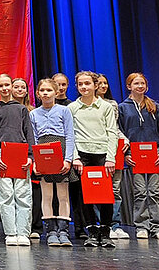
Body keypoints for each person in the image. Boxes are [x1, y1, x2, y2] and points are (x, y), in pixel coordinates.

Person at [118, 73, 159, 240]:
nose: (140, 86)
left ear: (146, 86)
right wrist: (126, 154)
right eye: (136, 83)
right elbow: (120, 132)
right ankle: (141, 226)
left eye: (142, 83)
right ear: (129, 86)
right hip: (135, 156)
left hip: (154, 156)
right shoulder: (123, 108)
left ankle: (157, 227)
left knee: (155, 192)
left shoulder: (155, 106)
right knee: (140, 191)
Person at [69, 71, 119, 248]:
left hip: (102, 155)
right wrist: (75, 157)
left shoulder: (105, 107)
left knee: (105, 195)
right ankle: (91, 232)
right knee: (84, 196)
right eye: (80, 84)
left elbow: (112, 132)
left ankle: (105, 232)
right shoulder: (72, 108)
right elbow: (70, 135)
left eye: (87, 83)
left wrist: (110, 158)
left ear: (95, 85)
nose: (84, 87)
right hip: (82, 156)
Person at [0, 74, 33, 246]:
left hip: (20, 153)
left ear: (12, 87)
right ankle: (11, 233)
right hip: (1, 153)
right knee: (5, 195)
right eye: (1, 86)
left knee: (22, 194)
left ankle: (23, 233)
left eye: (7, 85)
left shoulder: (21, 109)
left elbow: (29, 133)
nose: (5, 88)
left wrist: (30, 156)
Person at [29, 79, 75, 247]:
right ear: (38, 93)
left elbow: (70, 135)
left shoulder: (64, 111)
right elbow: (32, 138)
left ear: (56, 92)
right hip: (42, 151)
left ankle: (63, 231)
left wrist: (68, 159)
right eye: (42, 90)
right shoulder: (33, 114)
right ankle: (51, 232)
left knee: (62, 195)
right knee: (47, 195)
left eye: (49, 90)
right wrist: (35, 161)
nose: (46, 93)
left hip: (60, 150)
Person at [96, 73, 130, 240]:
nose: (103, 86)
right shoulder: (83, 104)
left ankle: (115, 225)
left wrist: (124, 139)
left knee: (114, 188)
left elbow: (114, 128)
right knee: (96, 188)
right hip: (95, 148)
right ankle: (99, 223)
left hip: (113, 147)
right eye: (100, 83)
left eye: (105, 83)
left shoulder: (112, 104)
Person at [13, 77, 41, 240]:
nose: (19, 90)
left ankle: (34, 226)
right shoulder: (6, 109)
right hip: (14, 154)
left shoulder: (32, 110)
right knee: (16, 192)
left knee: (34, 191)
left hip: (31, 154)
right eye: (16, 87)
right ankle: (17, 226)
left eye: (22, 87)